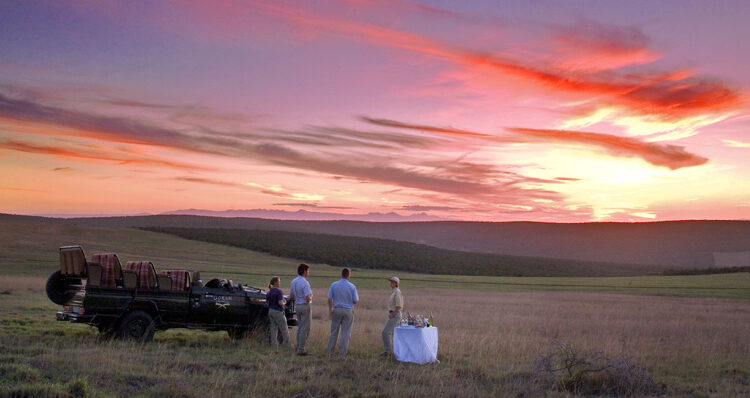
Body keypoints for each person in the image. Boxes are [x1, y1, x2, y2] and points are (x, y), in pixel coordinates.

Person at [327, 268, 359, 358]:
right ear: (349, 275)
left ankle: (330, 352)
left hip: (337, 309)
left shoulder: (334, 285)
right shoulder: (352, 286)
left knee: (333, 332)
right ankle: (341, 355)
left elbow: (329, 298)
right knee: (345, 333)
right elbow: (356, 301)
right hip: (348, 310)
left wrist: (330, 310)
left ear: (341, 274)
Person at [289, 263, 313, 356]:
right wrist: (311, 296)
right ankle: (301, 349)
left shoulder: (293, 281)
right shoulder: (305, 282)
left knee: (300, 327)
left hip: (297, 305)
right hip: (305, 305)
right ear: (304, 271)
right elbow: (308, 298)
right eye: (308, 271)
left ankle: (298, 346)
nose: (308, 273)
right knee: (305, 328)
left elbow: (291, 296)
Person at [266, 276, 292, 348]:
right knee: (284, 328)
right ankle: (288, 345)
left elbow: (267, 302)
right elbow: (280, 302)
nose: (280, 283)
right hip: (278, 311)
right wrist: (285, 302)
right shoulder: (279, 292)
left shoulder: (269, 292)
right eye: (279, 281)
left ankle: (274, 345)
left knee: (273, 329)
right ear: (275, 283)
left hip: (270, 311)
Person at [381, 276, 403, 356]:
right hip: (394, 314)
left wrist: (393, 314)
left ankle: (388, 351)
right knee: (393, 334)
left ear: (396, 283)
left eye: (392, 282)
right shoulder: (394, 291)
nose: (390, 283)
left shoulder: (397, 292)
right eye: (390, 281)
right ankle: (393, 351)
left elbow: (399, 305)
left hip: (395, 315)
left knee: (385, 333)